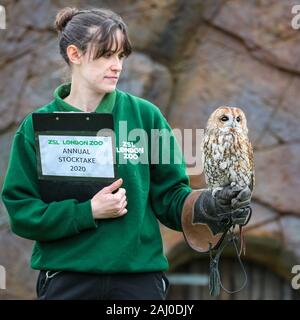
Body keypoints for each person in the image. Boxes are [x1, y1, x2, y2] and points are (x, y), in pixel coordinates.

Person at [1, 7, 251, 300]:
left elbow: (171, 196)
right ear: (75, 54)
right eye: (107, 54)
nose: (117, 65)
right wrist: (87, 212)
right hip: (67, 279)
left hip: (139, 282)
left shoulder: (145, 116)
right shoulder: (38, 127)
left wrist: (209, 205)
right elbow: (22, 213)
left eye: (121, 55)